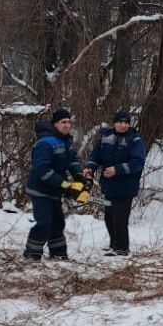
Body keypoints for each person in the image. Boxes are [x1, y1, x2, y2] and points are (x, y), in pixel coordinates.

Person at [23, 107, 90, 261]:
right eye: (63, 122)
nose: (67, 125)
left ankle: (58, 254)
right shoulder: (45, 143)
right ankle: (32, 254)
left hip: (54, 190)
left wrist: (78, 176)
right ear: (55, 124)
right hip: (40, 190)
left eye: (68, 122)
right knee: (45, 222)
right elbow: (42, 170)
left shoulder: (65, 141)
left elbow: (72, 159)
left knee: (58, 223)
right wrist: (66, 185)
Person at [87, 109, 146, 257]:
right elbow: (96, 155)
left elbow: (137, 163)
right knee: (109, 216)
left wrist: (117, 170)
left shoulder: (135, 140)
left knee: (120, 217)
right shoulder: (106, 137)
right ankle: (114, 244)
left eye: (126, 122)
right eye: (120, 122)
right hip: (108, 187)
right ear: (114, 123)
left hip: (126, 187)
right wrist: (90, 168)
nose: (123, 125)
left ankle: (121, 248)